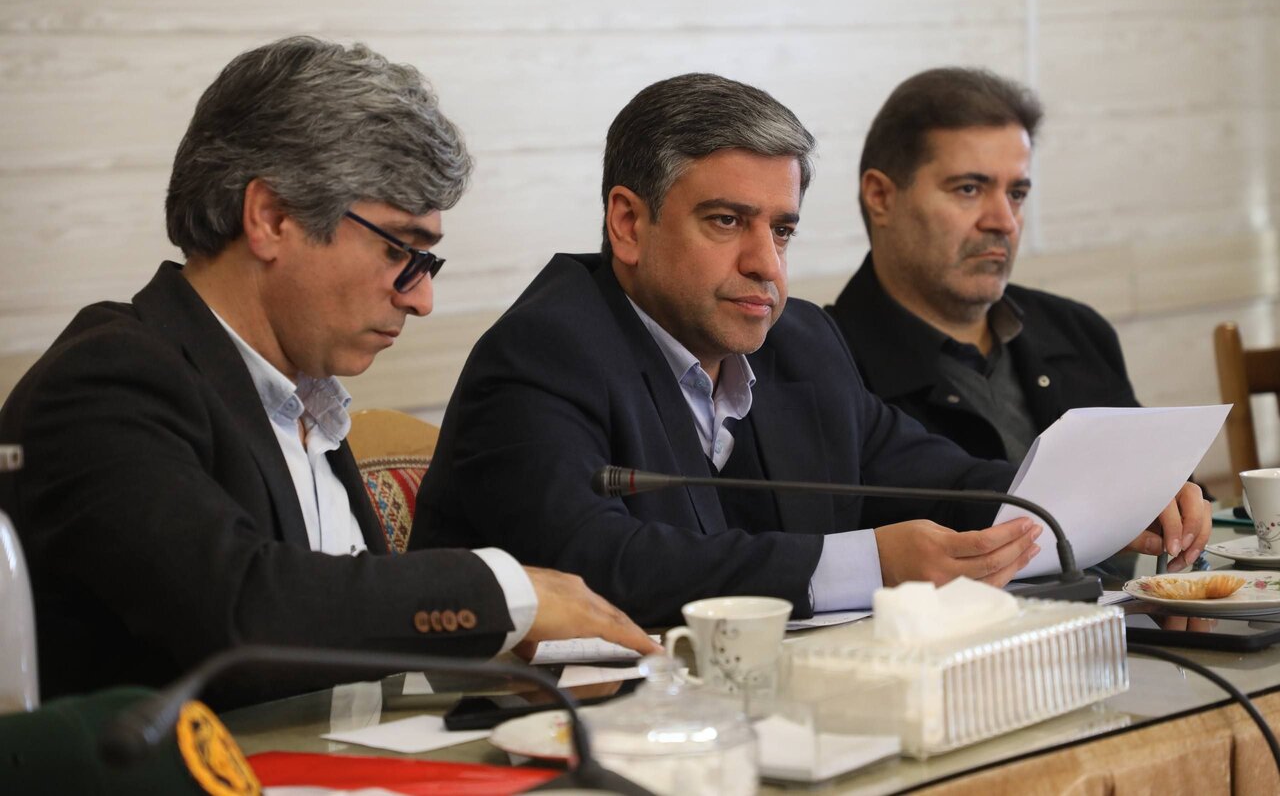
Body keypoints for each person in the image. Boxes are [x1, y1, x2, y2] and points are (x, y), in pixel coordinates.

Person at [413, 72, 1204, 628]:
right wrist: (870, 563)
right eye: (728, 221)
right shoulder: (544, 352)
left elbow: (940, 478)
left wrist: (1107, 499)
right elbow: (599, 563)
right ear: (629, 223)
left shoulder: (801, 343)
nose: (766, 264)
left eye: (782, 229)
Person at [0, 36, 655, 706]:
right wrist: (506, 591)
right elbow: (241, 614)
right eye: (401, 251)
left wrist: (490, 657)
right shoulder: (105, 382)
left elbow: (335, 645)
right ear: (272, 218)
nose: (422, 299)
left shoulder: (305, 397)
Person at [825, 66, 1208, 572]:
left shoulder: (1077, 330)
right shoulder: (823, 368)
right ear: (881, 197)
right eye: (969, 189)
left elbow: (1157, 496)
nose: (1003, 221)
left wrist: (1175, 500)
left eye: (1017, 194)